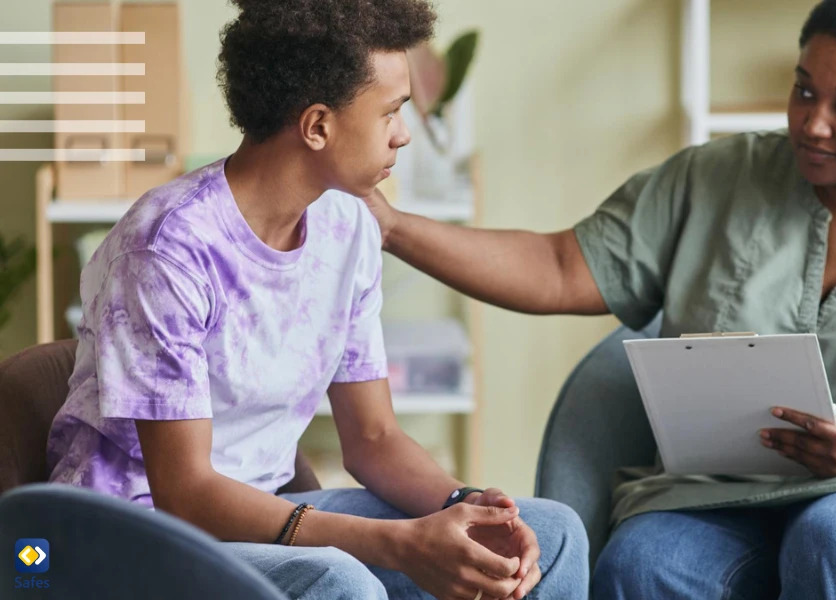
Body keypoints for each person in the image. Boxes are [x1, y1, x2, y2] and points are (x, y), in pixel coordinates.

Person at [361, 0, 836, 597]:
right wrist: (391, 227)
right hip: (720, 493)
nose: (812, 122)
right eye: (804, 89)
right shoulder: (716, 178)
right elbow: (559, 266)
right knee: (648, 561)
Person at [44, 1, 588, 598]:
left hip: (265, 512)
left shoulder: (347, 225)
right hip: (131, 534)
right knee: (339, 582)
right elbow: (187, 494)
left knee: (549, 533)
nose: (403, 134)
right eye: (391, 112)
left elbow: (374, 439)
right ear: (318, 126)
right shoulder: (167, 249)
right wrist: (400, 544)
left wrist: (465, 506)